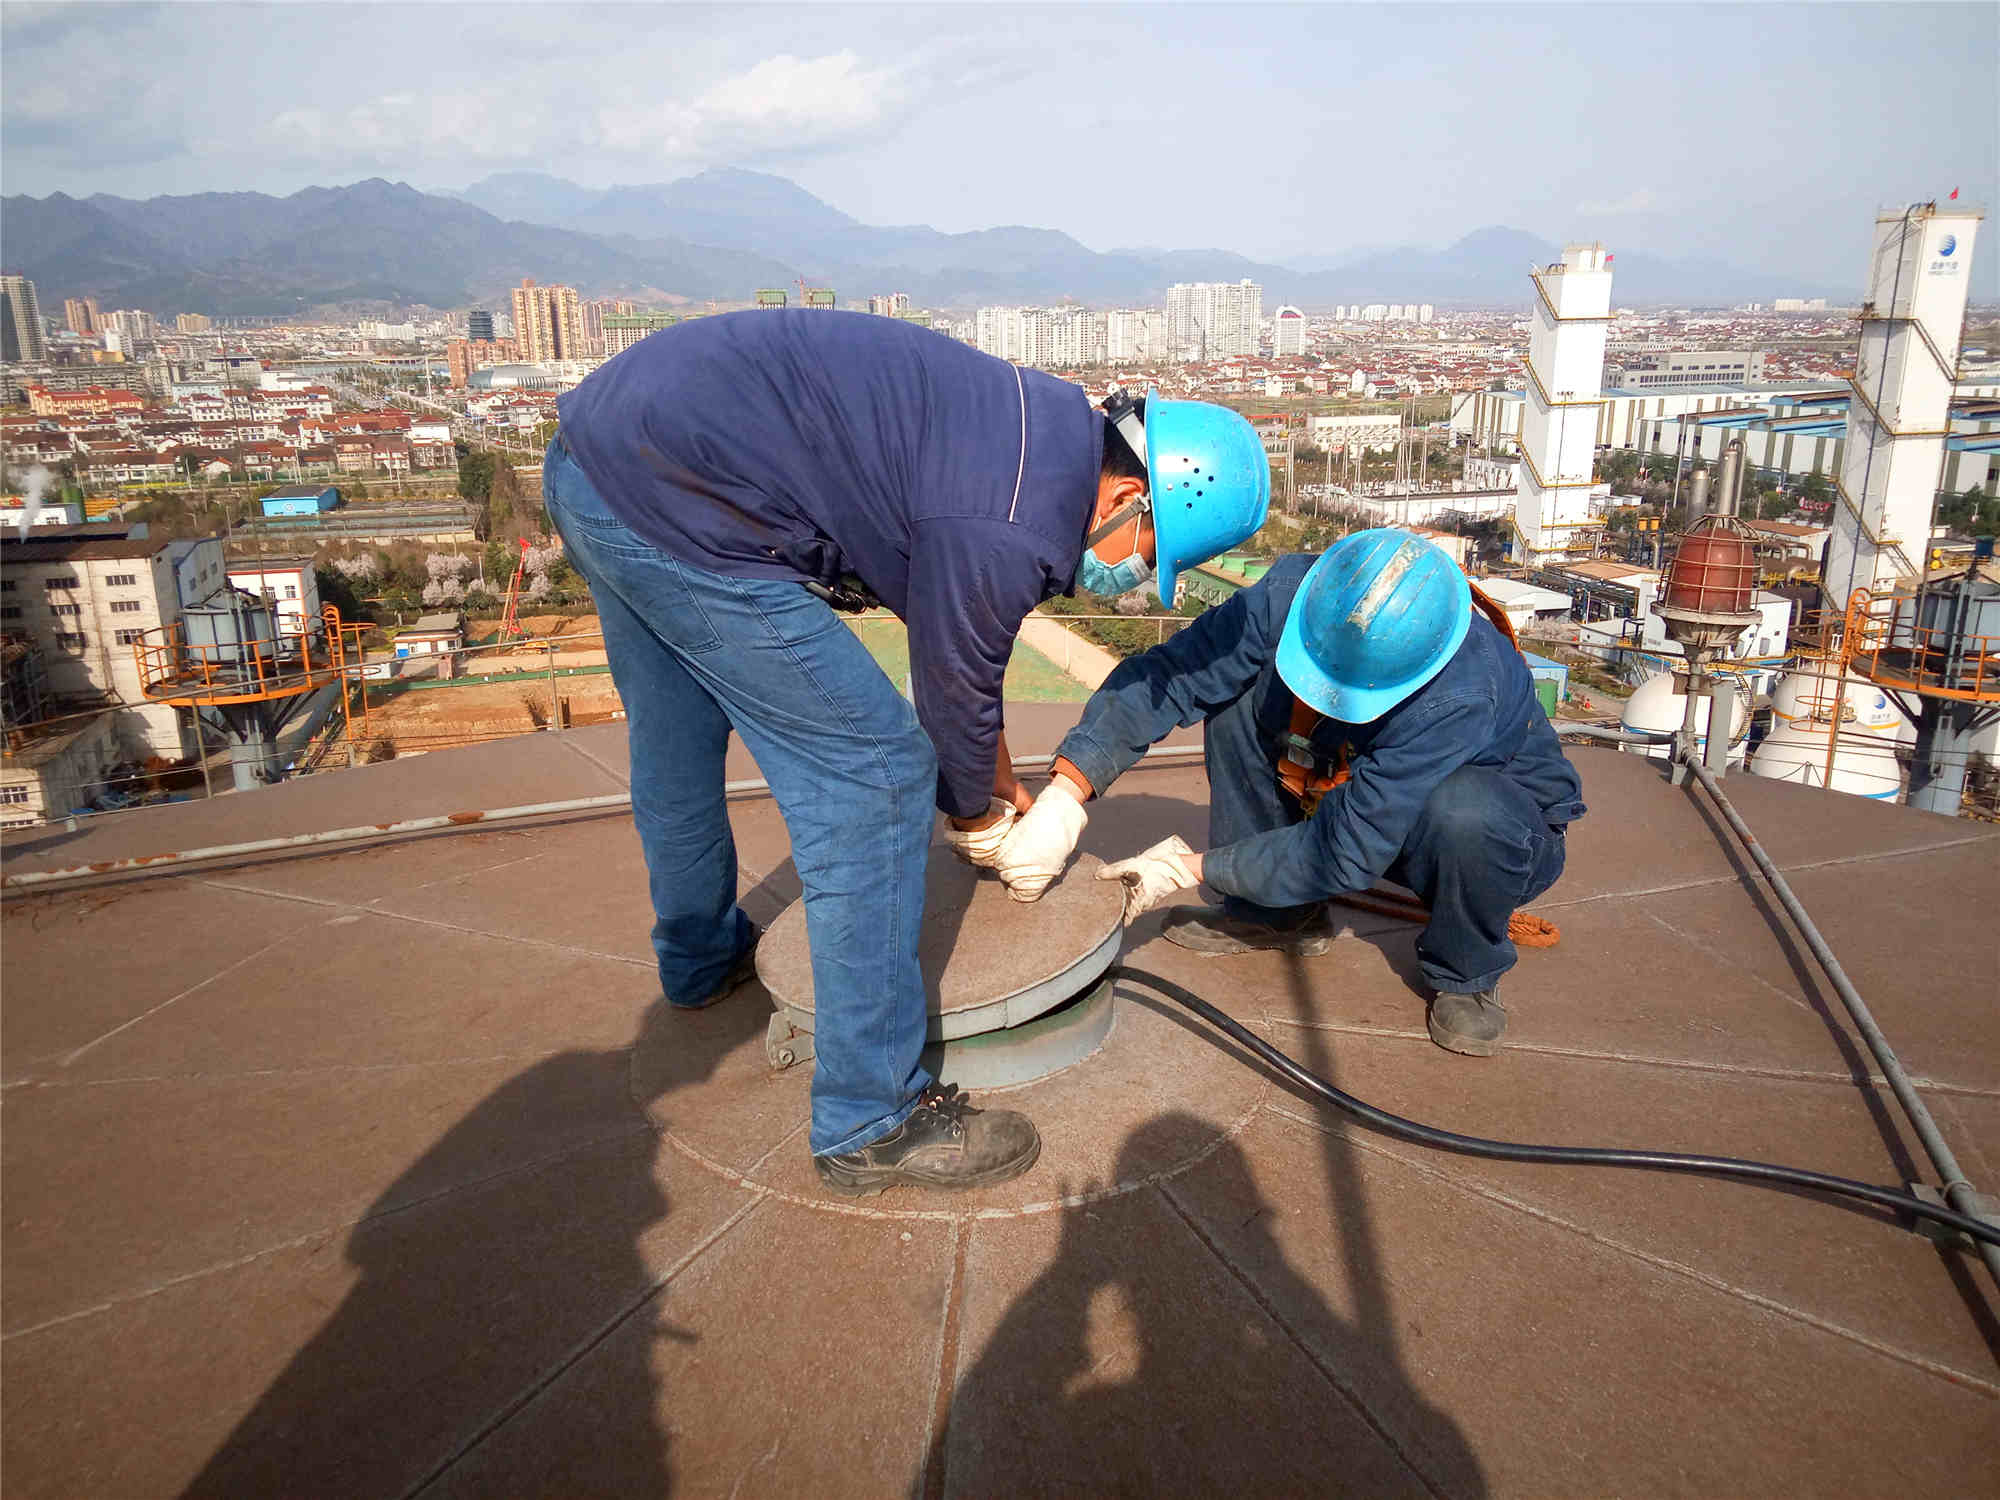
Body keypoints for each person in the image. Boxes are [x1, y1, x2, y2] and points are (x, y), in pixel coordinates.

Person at [545, 310, 1268, 1194]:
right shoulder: (1011, 520)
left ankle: (699, 959)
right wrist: (982, 822)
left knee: (676, 735)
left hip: (603, 464)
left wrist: (996, 786)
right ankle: (870, 1116)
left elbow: (961, 653)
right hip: (686, 500)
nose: (1133, 570)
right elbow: (952, 694)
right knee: (878, 775)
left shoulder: (1041, 439)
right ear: (1128, 499)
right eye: (1149, 551)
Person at [995, 528, 1586, 1056]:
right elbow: (1174, 676)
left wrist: (1189, 868)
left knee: (1465, 812)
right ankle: (1276, 914)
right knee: (1234, 696)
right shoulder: (1295, 595)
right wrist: (1066, 792)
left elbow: (1346, 850)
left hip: (1489, 835)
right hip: (1357, 780)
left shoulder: (1460, 692)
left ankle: (1466, 970)